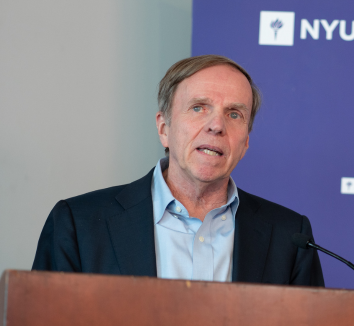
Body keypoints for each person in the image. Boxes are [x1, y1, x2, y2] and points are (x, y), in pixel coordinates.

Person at [32, 55, 324, 286]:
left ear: (245, 142)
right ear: (163, 128)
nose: (217, 125)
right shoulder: (78, 223)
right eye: (198, 108)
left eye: (234, 114)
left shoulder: (290, 236)